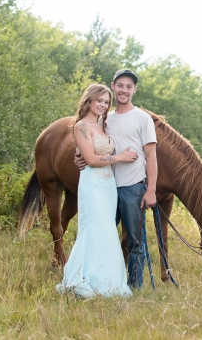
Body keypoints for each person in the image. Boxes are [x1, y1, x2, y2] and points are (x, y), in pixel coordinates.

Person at [76, 68, 158, 289]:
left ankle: (134, 287)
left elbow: (151, 156)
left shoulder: (142, 118)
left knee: (134, 241)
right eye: (120, 85)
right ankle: (102, 283)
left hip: (133, 188)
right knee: (104, 237)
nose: (124, 90)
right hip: (106, 188)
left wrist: (151, 190)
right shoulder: (105, 119)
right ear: (113, 87)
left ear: (134, 90)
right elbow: (91, 146)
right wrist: (79, 157)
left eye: (129, 87)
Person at [57, 84, 137, 298]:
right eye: (99, 100)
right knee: (94, 228)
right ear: (89, 100)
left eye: (106, 102)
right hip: (92, 185)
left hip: (108, 185)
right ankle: (87, 279)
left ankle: (109, 281)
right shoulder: (81, 126)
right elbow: (91, 159)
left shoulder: (102, 125)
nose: (102, 105)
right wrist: (120, 158)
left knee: (107, 231)